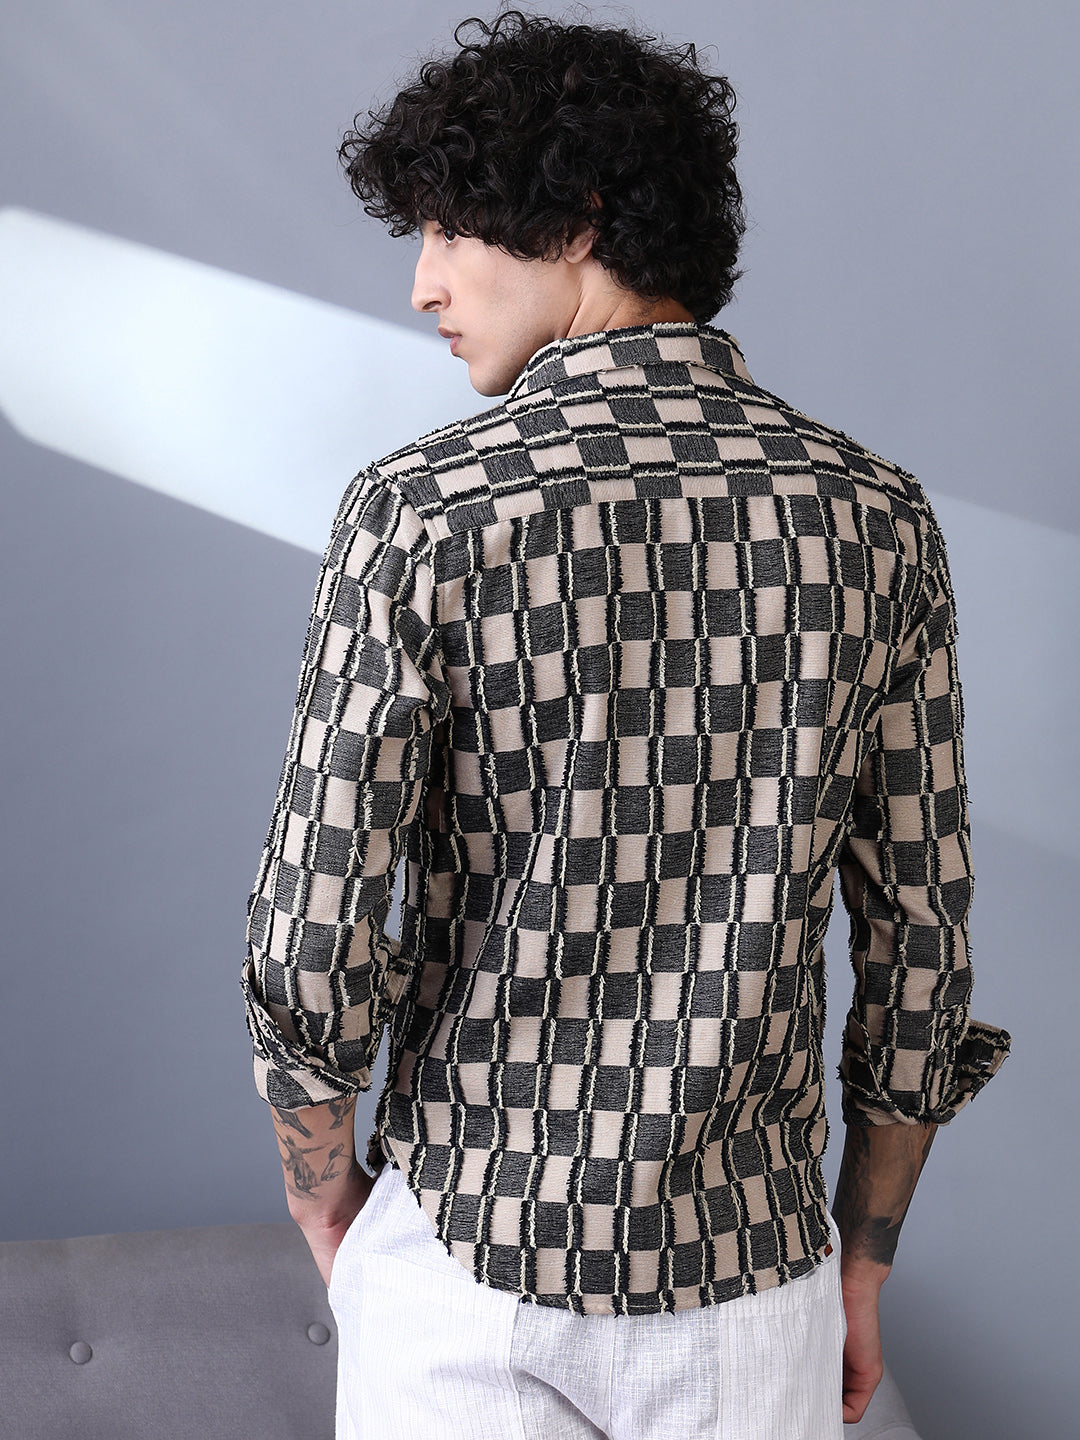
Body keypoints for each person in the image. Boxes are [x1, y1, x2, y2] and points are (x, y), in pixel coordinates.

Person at [242, 10, 1010, 1437]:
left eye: (447, 228)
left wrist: (323, 1197)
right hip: (748, 1284)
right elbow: (921, 940)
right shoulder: (876, 520)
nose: (421, 284)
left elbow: (317, 923)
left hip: (463, 1257)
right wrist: (862, 1262)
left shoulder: (421, 512)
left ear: (581, 215)